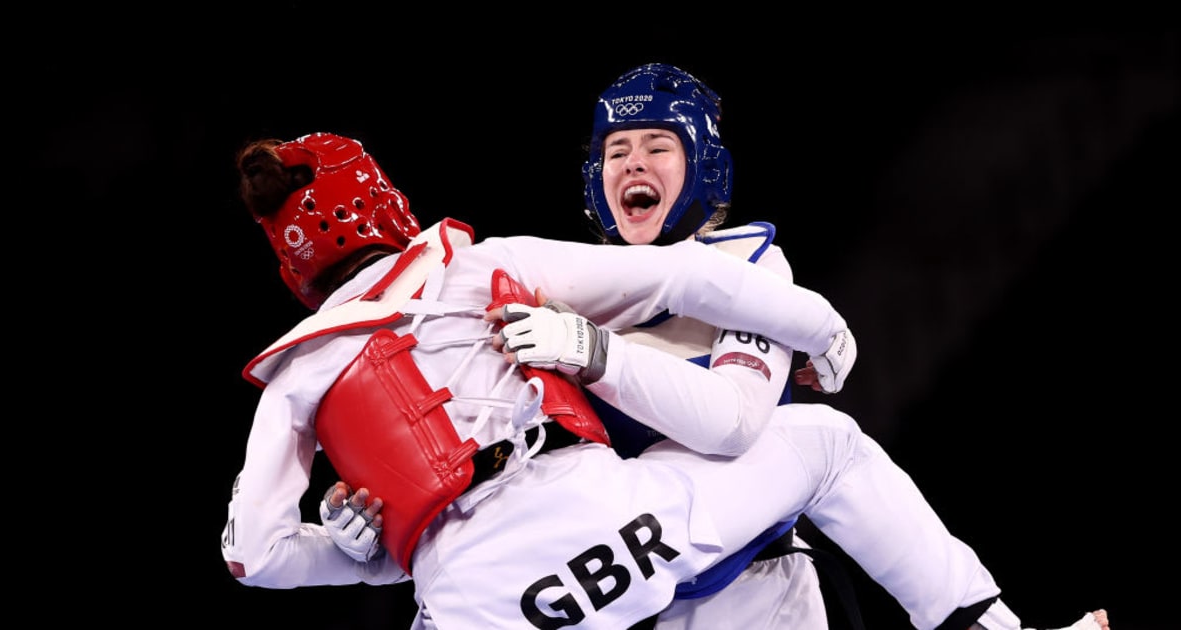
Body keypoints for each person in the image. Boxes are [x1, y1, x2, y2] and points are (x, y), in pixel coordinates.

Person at [220, 131, 1109, 630]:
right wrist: (825, 328)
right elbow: (689, 281)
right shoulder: (474, 266)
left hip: (478, 607)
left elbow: (253, 559)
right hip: (617, 530)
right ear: (381, 200)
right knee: (831, 446)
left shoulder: (296, 373)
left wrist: (356, 554)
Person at [573, 62, 835, 630]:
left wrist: (593, 354)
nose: (633, 162)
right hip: (624, 599)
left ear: (701, 167)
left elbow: (730, 422)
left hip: (757, 594)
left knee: (841, 449)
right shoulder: (566, 299)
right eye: (617, 150)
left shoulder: (749, 267)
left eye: (656, 146)